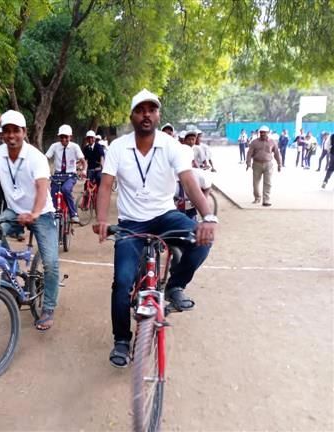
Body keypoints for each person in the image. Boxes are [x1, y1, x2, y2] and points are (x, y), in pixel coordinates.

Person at [93, 89, 217, 368]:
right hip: (130, 223)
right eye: (140, 110)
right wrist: (101, 219)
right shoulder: (118, 147)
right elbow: (105, 185)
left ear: (158, 115)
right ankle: (121, 340)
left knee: (202, 240)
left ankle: (175, 286)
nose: (146, 115)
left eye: (151, 109)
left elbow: (189, 182)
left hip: (165, 216)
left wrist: (208, 216)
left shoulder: (171, 146)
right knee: (122, 282)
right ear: (132, 116)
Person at [0, 110, 60, 331]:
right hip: (14, 211)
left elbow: (42, 188)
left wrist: (34, 214)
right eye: (6, 131)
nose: (11, 135)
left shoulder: (36, 157)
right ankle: (12, 278)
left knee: (51, 264)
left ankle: (48, 308)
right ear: (1, 134)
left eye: (15, 130)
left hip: (42, 213)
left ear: (24, 132)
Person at [45, 124, 86, 223]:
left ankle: (73, 213)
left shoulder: (75, 147)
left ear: (70, 137)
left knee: (65, 189)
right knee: (52, 193)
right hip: (57, 175)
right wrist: (45, 170)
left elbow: (83, 161)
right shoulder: (54, 146)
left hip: (70, 176)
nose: (64, 139)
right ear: (59, 137)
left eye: (66, 137)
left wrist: (84, 170)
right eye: (61, 137)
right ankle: (54, 214)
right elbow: (45, 158)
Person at [175, 130, 212, 219]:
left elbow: (207, 186)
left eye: (193, 139)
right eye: (189, 139)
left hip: (187, 209)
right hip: (175, 211)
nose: (191, 141)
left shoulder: (196, 174)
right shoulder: (169, 175)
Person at [246, 125, 282, 206]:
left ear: (268, 133)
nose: (262, 134)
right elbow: (249, 153)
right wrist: (248, 163)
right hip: (257, 164)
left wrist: (279, 164)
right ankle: (257, 198)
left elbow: (277, 153)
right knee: (256, 183)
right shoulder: (254, 142)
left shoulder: (273, 142)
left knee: (268, 183)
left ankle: (266, 200)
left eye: (264, 132)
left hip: (268, 164)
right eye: (261, 132)